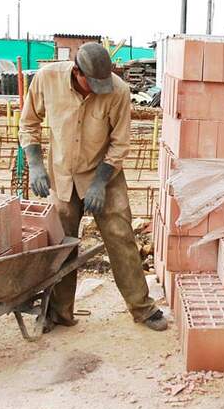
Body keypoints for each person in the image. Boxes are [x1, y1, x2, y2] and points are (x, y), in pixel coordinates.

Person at [19, 43, 168, 331]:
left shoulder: (119, 90)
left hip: (105, 175)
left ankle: (142, 307)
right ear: (77, 72)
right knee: (63, 244)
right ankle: (59, 313)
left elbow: (120, 142)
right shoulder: (47, 78)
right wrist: (35, 165)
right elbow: (29, 124)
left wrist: (99, 183)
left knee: (121, 236)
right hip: (62, 175)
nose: (99, 90)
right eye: (92, 84)